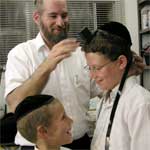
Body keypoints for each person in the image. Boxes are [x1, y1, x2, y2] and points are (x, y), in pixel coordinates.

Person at [4, 0, 144, 149]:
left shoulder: (81, 54)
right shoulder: (21, 54)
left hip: (79, 143)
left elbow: (104, 88)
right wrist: (47, 65)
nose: (60, 22)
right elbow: (15, 105)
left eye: (64, 15)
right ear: (37, 18)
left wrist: (123, 70)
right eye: (53, 16)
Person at [82, 21, 150, 150]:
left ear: (121, 62)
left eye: (97, 68)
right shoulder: (106, 98)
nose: (92, 75)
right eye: (89, 68)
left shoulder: (140, 104)